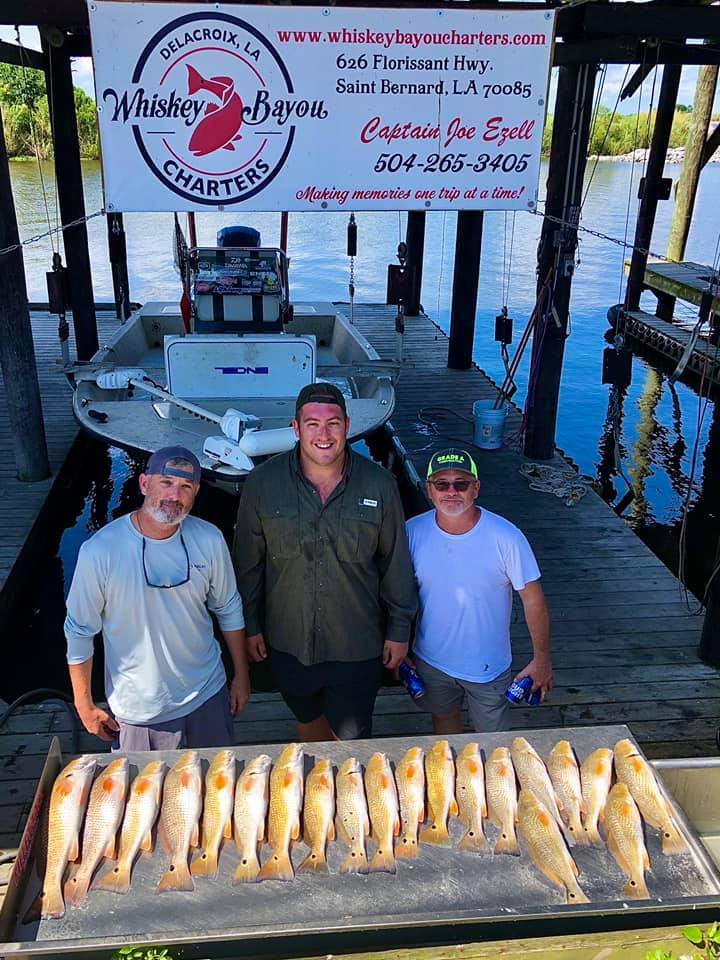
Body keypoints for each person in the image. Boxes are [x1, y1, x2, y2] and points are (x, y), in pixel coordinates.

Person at [233, 382, 417, 741]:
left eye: (333, 423)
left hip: (356, 644)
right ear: (296, 428)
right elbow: (248, 565)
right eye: (312, 424)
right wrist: (250, 625)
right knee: (307, 719)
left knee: (352, 739)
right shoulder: (261, 484)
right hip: (287, 641)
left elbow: (395, 563)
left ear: (347, 426)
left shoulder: (380, 484)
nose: (323, 434)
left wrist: (399, 630)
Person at [65, 445, 249, 750]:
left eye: (186, 486)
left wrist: (241, 675)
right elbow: (79, 630)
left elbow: (228, 607)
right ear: (143, 484)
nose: (174, 495)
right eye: (166, 482)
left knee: (217, 779)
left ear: (196, 492)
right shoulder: (99, 551)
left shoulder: (210, 538)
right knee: (144, 784)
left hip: (209, 693)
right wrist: (83, 704)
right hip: (140, 711)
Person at [405, 447, 552, 734]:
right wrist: (397, 641)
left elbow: (533, 599)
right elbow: (395, 594)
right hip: (431, 660)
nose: (451, 492)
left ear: (476, 489)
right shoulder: (410, 531)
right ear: (429, 490)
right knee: (444, 726)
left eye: (461, 484)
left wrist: (542, 659)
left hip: (488, 667)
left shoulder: (507, 537)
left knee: (493, 743)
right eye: (441, 484)